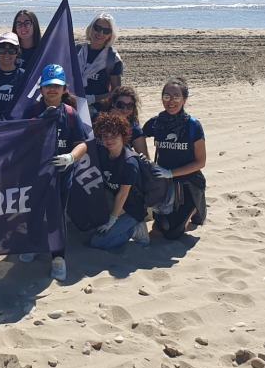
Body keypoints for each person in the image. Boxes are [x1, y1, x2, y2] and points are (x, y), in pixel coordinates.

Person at [21, 64, 88, 280]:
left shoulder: (70, 114)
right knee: (32, 213)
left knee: (56, 217)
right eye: (48, 86)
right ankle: (31, 245)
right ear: (41, 88)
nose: (52, 90)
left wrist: (71, 157)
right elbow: (19, 140)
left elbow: (82, 144)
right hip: (35, 177)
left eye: (56, 86)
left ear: (64, 89)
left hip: (61, 177)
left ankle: (58, 258)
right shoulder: (31, 111)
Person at [143, 77, 207, 239]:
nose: (171, 101)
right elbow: (136, 135)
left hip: (189, 182)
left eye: (176, 97)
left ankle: (196, 206)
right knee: (160, 227)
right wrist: (148, 163)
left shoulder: (193, 125)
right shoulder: (156, 123)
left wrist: (171, 172)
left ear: (184, 100)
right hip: (164, 184)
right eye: (167, 96)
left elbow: (201, 162)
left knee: (172, 233)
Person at [89, 112, 148, 250]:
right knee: (91, 232)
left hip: (132, 209)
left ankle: (136, 229)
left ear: (123, 135)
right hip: (112, 201)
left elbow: (123, 193)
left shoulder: (129, 162)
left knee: (97, 242)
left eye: (114, 135)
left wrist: (112, 220)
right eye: (105, 136)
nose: (109, 140)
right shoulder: (103, 152)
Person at [77, 13, 122, 115]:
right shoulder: (77, 51)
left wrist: (93, 99)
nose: (100, 33)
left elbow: (116, 92)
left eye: (106, 31)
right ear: (91, 28)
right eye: (97, 28)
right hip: (73, 106)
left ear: (110, 35)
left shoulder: (113, 59)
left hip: (98, 111)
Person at [107, 86, 149, 158]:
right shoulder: (101, 122)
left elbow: (146, 161)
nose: (125, 110)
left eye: (129, 106)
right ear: (113, 104)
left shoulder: (135, 130)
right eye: (121, 105)